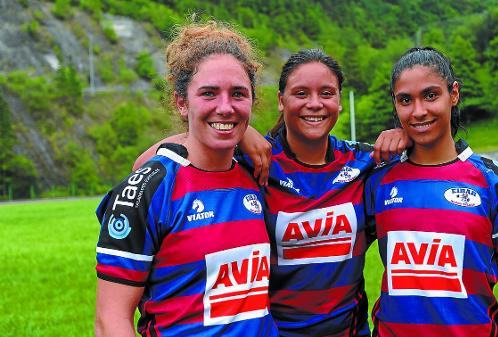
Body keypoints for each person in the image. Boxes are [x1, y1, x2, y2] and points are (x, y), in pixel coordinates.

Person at [133, 49, 408, 337]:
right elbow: (143, 166)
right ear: (281, 100)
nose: (314, 104)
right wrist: (240, 132)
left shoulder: (363, 164)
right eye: (301, 93)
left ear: (339, 101)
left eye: (327, 93)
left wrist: (406, 137)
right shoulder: (257, 161)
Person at [94, 21, 278, 337]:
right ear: (182, 102)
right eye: (209, 93)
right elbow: (110, 320)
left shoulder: (258, 171)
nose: (226, 107)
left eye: (238, 94)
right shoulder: (148, 189)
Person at [364, 47, 498, 337]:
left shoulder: (496, 180)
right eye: (405, 100)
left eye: (431, 95)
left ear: (453, 93)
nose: (418, 111)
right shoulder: (378, 180)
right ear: (395, 104)